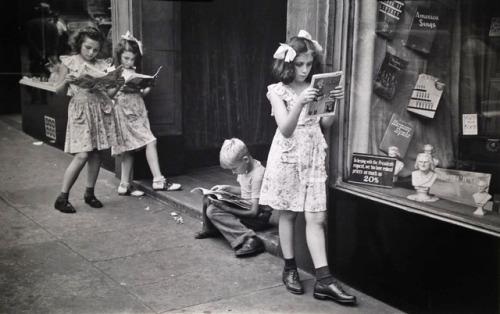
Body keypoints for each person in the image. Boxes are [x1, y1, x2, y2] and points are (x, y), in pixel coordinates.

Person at [259, 30, 356, 304]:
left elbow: (325, 125)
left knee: (317, 217)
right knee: (288, 213)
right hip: (288, 153)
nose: (304, 70)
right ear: (288, 64)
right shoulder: (277, 91)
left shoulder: (316, 86)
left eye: (309, 64)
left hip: (312, 153)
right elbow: (286, 129)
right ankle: (289, 268)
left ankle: (324, 281)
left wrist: (331, 102)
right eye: (299, 64)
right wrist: (300, 102)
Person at [53, 26, 122, 214]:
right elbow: (58, 92)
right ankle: (62, 197)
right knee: (82, 154)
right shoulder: (69, 62)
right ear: (79, 45)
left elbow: (109, 93)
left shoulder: (102, 64)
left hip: (98, 110)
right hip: (80, 111)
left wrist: (118, 84)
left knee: (96, 154)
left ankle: (89, 193)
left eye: (96, 49)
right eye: (87, 48)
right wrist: (66, 80)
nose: (91, 53)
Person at [107, 31, 182, 196]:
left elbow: (140, 94)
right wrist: (120, 84)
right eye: (126, 58)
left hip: (137, 109)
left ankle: (124, 185)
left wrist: (149, 85)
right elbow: (109, 94)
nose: (130, 62)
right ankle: (158, 180)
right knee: (150, 141)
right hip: (124, 111)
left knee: (129, 148)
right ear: (118, 56)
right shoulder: (113, 71)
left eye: (133, 59)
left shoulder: (133, 70)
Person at [194, 138, 272, 257]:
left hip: (259, 217)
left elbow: (254, 212)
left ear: (245, 159)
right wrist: (226, 188)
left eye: (234, 168)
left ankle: (249, 239)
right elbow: (246, 191)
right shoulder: (245, 169)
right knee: (208, 198)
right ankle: (210, 229)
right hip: (246, 207)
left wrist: (226, 208)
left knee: (213, 211)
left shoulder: (258, 176)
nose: (233, 172)